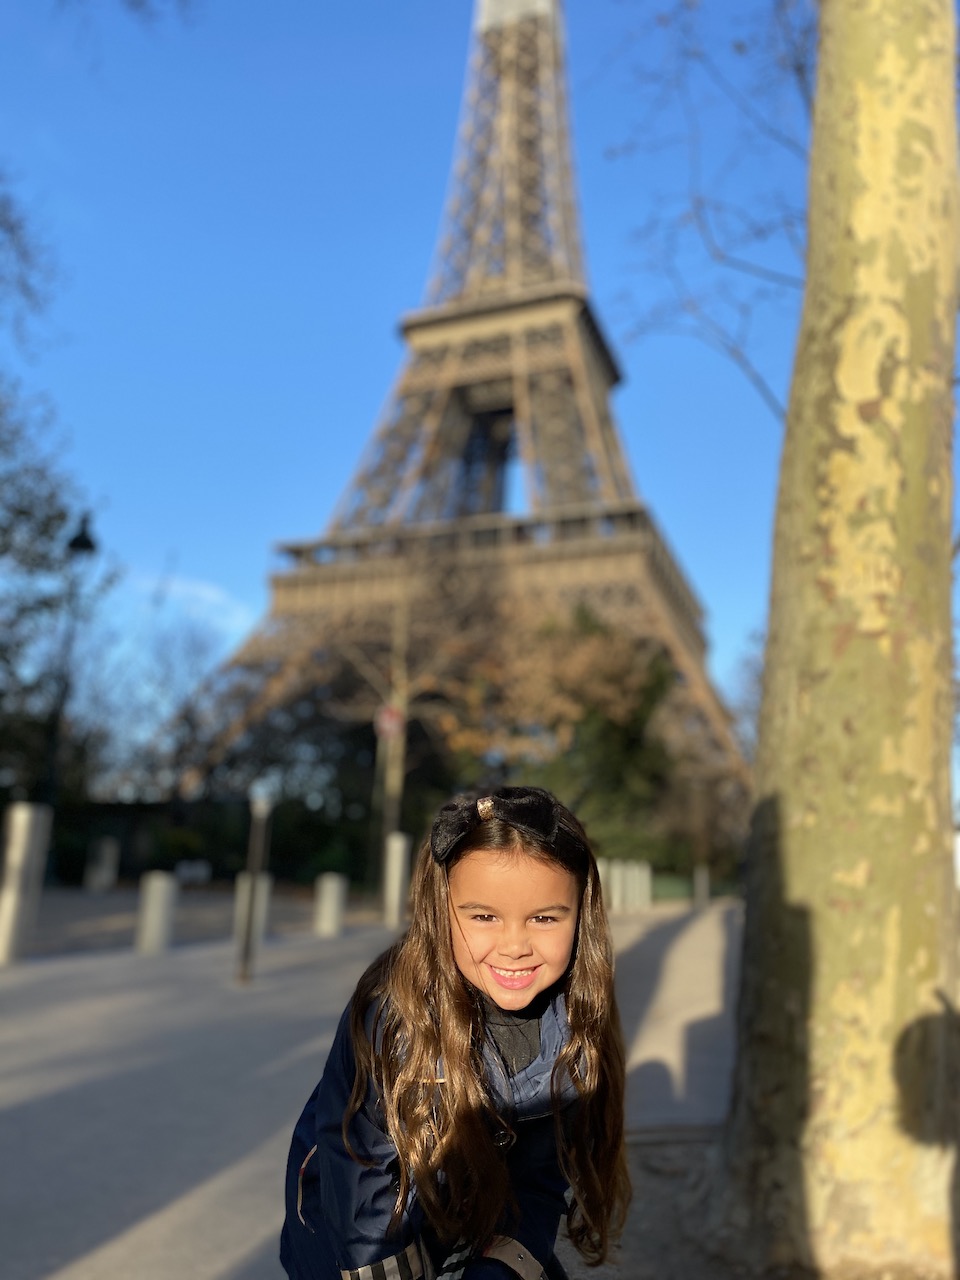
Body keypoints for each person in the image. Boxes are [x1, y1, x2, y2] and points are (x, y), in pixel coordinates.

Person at [280, 785, 631, 1280]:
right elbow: (364, 1203)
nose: (515, 946)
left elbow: (537, 1179)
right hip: (353, 1254)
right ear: (439, 909)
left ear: (581, 916)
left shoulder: (573, 1025)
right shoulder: (395, 1022)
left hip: (472, 1229)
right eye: (484, 916)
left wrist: (501, 1270)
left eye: (545, 918)